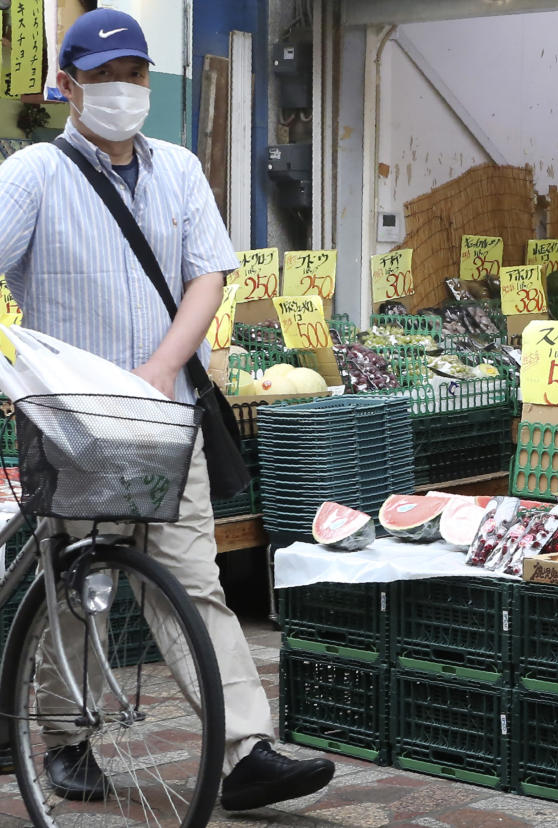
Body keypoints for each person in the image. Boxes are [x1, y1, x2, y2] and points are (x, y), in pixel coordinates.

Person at [0, 10, 334, 811]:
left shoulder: (180, 169)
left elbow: (207, 280)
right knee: (77, 584)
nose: (123, 91)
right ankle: (65, 738)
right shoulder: (33, 176)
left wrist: (161, 368)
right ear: (69, 85)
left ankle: (245, 751)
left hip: (164, 418)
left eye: (136, 75)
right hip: (74, 426)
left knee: (193, 584)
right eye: (105, 77)